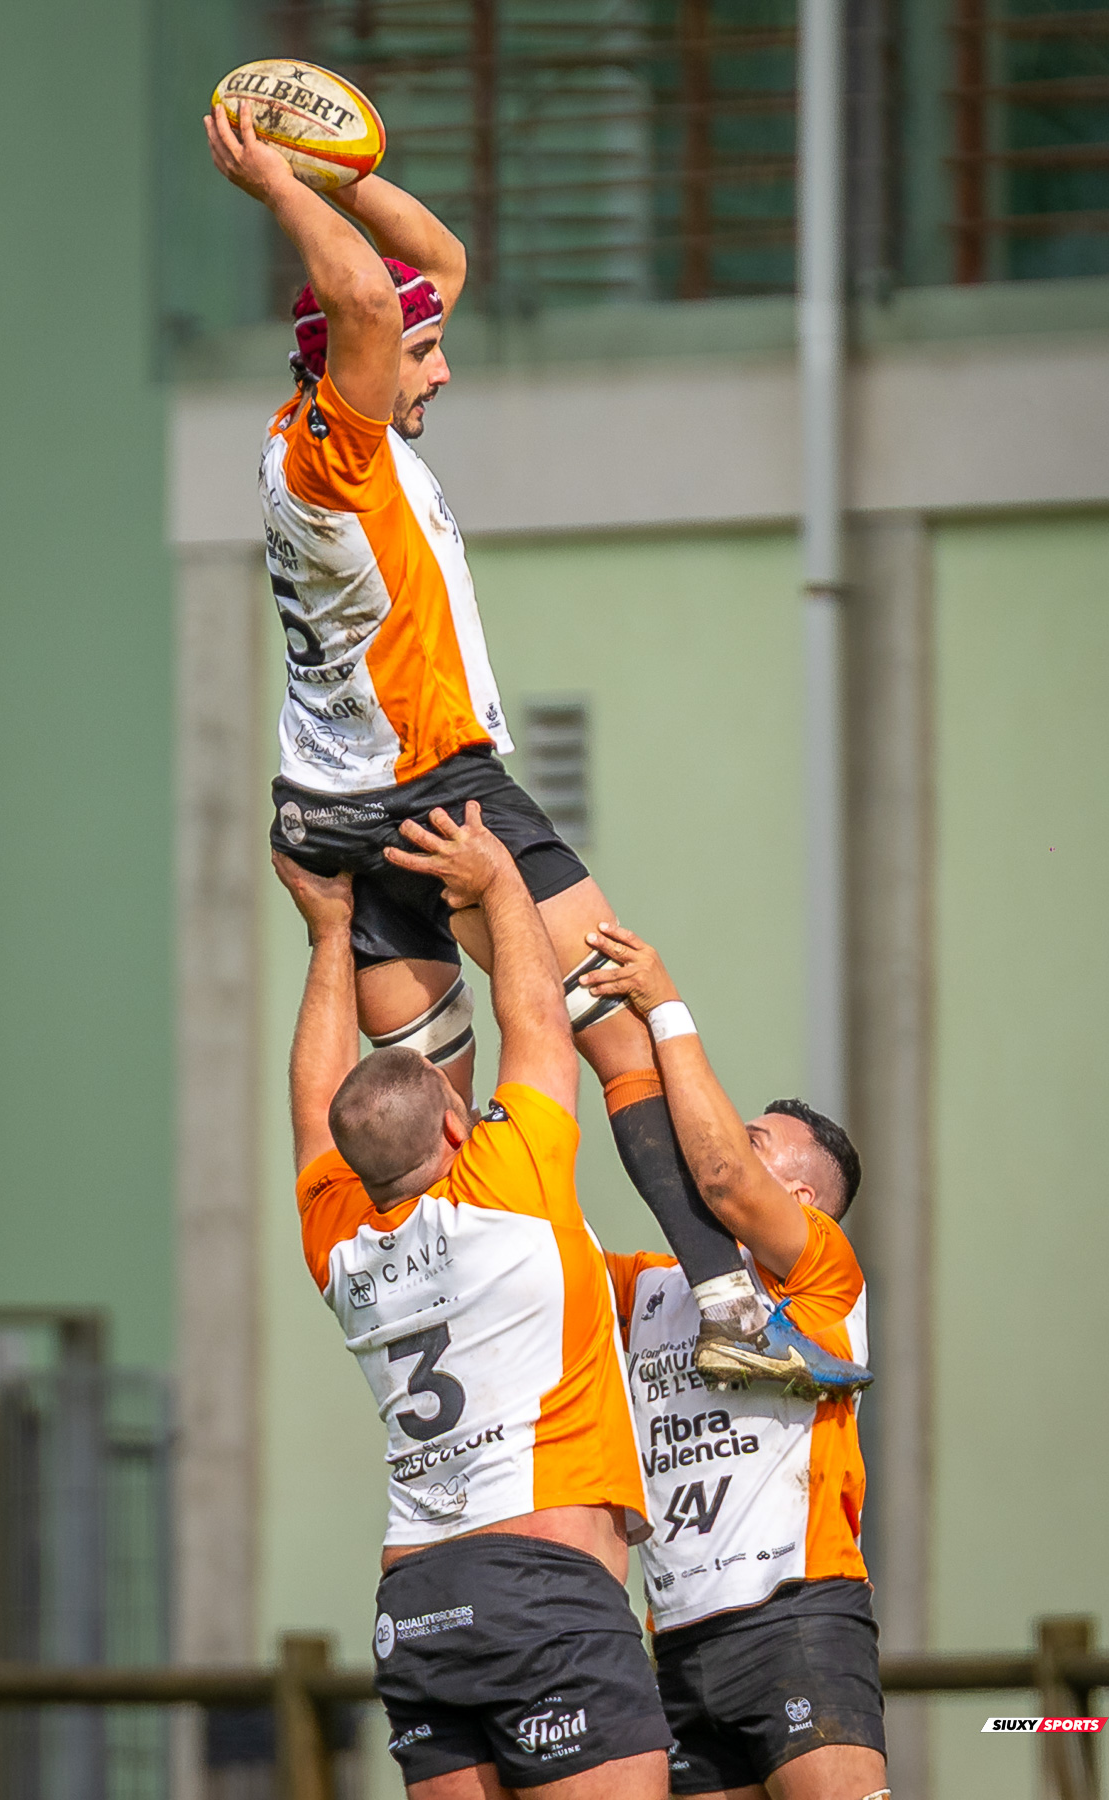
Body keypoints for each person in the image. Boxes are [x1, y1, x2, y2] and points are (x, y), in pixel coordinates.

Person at [203, 96, 868, 1397]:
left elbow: (423, 270)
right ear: (352, 355)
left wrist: (357, 168)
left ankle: (483, 1366)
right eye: (422, 351)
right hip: (435, 789)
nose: (440, 367)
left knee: (432, 1119)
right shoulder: (339, 451)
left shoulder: (338, 421)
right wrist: (284, 187)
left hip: (331, 813)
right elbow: (376, 303)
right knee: (621, 1027)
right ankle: (727, 1301)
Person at [274, 803, 673, 1798]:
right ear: (457, 1124)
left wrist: (334, 935)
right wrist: (498, 879)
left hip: (416, 1604)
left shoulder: (340, 1242)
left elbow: (316, 1099)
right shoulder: (508, 1183)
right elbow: (535, 1017)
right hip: (540, 1586)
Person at [577, 925, 889, 1800]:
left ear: (800, 1203)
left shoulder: (821, 1270)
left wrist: (665, 1003)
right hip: (675, 1639)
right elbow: (534, 1257)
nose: (721, 1139)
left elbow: (719, 1178)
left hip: (797, 1616)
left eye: (754, 1138)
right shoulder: (648, 1287)